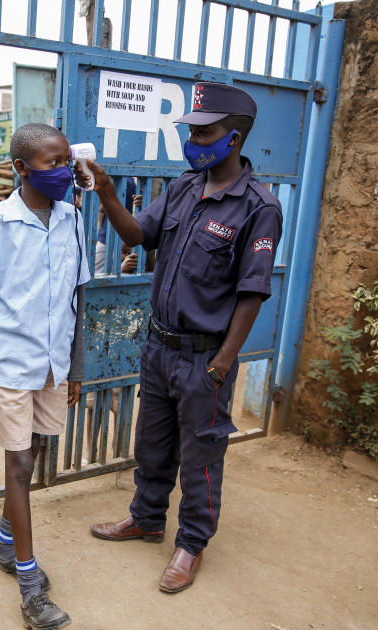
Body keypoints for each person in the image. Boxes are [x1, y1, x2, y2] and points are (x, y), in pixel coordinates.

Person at [79, 81, 283, 593]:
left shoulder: (259, 207)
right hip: (160, 348)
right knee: (152, 445)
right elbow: (135, 235)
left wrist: (222, 361)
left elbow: (252, 293)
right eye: (191, 129)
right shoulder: (184, 187)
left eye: (204, 131)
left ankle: (191, 543)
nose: (193, 139)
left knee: (201, 458)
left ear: (233, 137)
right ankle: (146, 518)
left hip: (203, 357)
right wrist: (105, 191)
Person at [0, 123, 86, 630]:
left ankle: (6, 543)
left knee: (37, 449)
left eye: (65, 160)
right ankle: (30, 590)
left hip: (52, 364)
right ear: (23, 168)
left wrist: (74, 368)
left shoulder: (73, 219)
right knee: (20, 463)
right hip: (9, 363)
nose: (63, 170)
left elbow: (77, 299)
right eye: (52, 163)